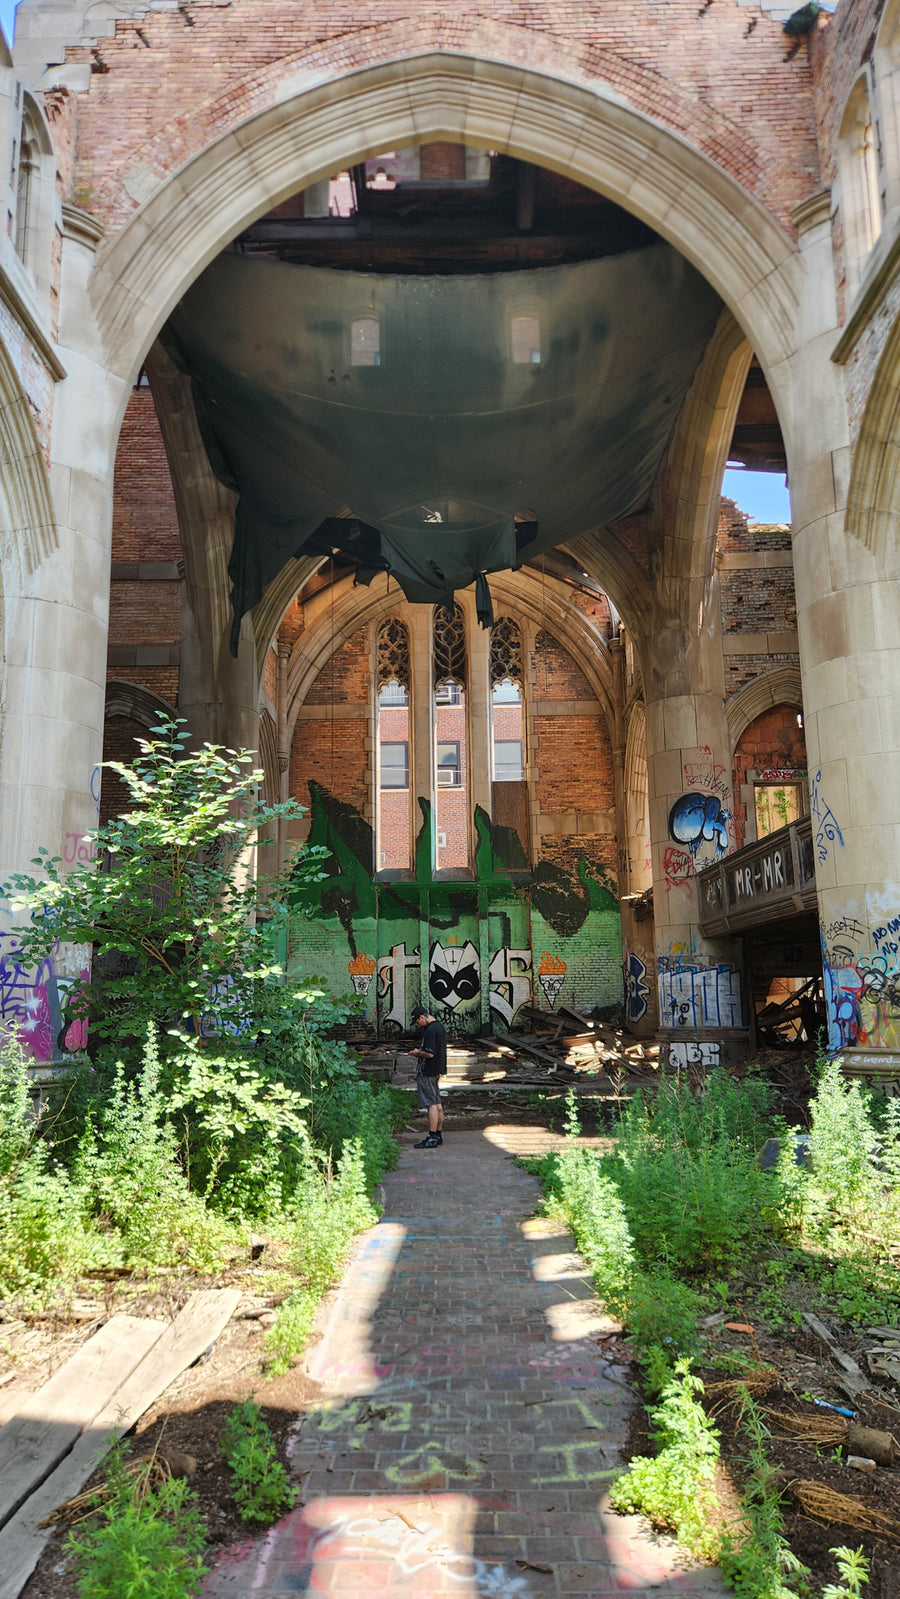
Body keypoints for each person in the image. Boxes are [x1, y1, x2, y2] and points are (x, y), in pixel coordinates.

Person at [409, 1003, 447, 1148]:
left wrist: (416, 1053)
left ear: (421, 1017)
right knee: (437, 1103)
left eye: (417, 1022)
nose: (418, 1025)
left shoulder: (430, 1030)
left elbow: (430, 1053)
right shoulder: (440, 1027)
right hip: (437, 1070)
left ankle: (432, 1138)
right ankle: (438, 1135)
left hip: (427, 1071)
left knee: (430, 1105)